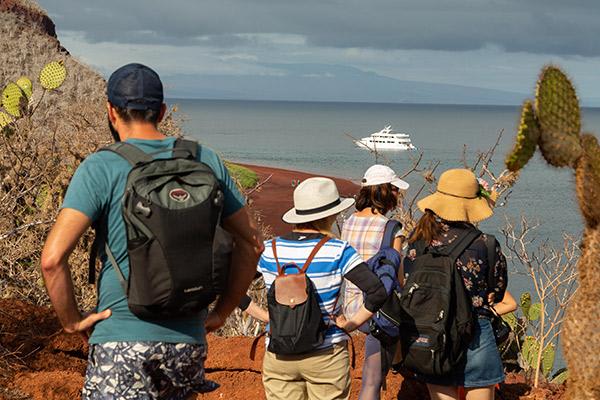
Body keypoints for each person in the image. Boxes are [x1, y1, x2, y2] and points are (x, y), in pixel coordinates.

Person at [40, 63, 262, 399]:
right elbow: (251, 244)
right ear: (160, 111)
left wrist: (71, 321)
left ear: (111, 112)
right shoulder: (205, 159)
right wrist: (222, 312)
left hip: (121, 340)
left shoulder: (101, 166)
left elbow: (52, 260)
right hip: (187, 344)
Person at [256, 177, 388, 400]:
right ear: (330, 215)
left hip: (279, 353)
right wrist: (352, 323)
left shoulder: (269, 249)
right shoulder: (338, 250)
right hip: (327, 353)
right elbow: (377, 292)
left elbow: (233, 289)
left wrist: (267, 317)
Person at [403, 168, 508, 400]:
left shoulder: (418, 241)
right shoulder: (486, 244)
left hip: (433, 330)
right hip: (475, 331)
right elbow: (497, 291)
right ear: (471, 205)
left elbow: (408, 281)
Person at [341, 164, 409, 400]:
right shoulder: (392, 228)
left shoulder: (348, 222)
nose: (397, 196)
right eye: (395, 191)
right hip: (377, 310)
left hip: (348, 305)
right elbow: (398, 279)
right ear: (387, 192)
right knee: (371, 382)